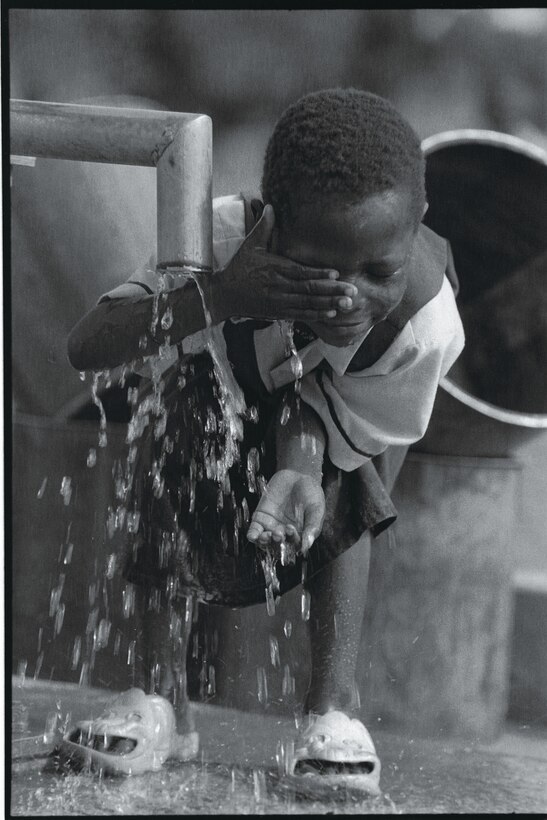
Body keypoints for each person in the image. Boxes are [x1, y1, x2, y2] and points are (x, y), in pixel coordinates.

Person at [64, 88, 464, 793]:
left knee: (352, 490)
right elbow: (87, 347)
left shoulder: (419, 327)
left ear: (417, 224)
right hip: (229, 387)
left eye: (376, 271)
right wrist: (222, 296)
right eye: (322, 269)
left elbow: (339, 424)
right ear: (272, 227)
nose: (348, 297)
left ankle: (332, 708)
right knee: (179, 408)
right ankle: (158, 698)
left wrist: (302, 468)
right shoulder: (215, 243)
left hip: (347, 432)